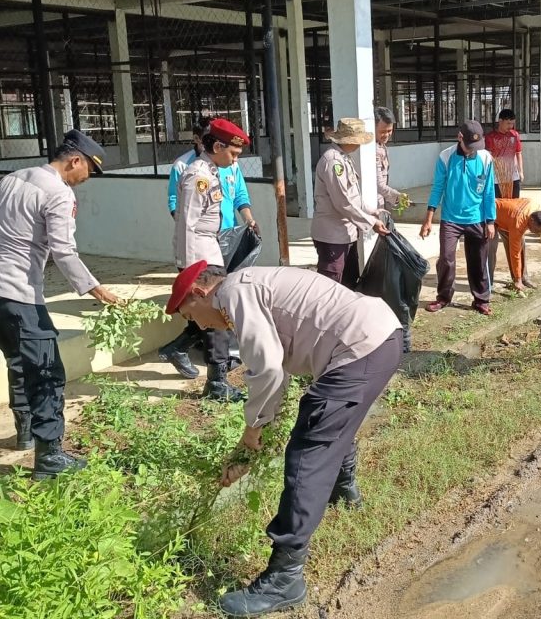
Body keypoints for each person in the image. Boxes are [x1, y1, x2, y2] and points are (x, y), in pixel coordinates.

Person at [165, 262, 402, 617]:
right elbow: (278, 367)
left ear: (200, 293)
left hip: (361, 346)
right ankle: (344, 490)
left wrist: (252, 433)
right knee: (330, 421)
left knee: (308, 452)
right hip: (379, 336)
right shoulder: (248, 284)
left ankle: (284, 579)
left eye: (191, 315)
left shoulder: (234, 293)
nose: (199, 326)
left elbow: (268, 370)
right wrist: (264, 426)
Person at [0, 130, 121, 478]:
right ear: (75, 161)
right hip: (16, 292)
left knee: (17, 358)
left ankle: (25, 429)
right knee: (47, 370)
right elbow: (63, 250)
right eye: (89, 171)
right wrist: (96, 289)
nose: (87, 179)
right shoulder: (58, 193)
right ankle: (50, 455)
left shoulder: (14, 177)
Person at [161, 117, 258, 379]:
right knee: (215, 311)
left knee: (215, 311)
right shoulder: (198, 176)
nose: (235, 160)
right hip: (199, 256)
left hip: (209, 248)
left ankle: (184, 352)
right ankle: (217, 379)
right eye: (233, 153)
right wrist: (191, 269)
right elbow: (186, 225)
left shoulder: (211, 171)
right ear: (217, 147)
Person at [420, 120, 497, 315]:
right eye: (469, 145)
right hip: (451, 219)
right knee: (446, 259)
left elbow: (489, 191)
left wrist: (490, 221)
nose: (472, 149)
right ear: (460, 137)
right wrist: (428, 219)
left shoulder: (486, 158)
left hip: (477, 218)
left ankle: (481, 300)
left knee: (479, 260)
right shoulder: (445, 157)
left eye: (476, 145)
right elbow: (437, 188)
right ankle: (443, 297)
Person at [312, 118, 391, 287]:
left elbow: (352, 196)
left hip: (346, 233)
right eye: (358, 140)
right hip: (332, 235)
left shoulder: (344, 158)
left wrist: (371, 210)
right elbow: (342, 202)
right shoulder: (333, 161)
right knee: (330, 285)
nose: (360, 144)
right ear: (349, 140)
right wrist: (371, 222)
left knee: (349, 282)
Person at [487, 197, 541, 291]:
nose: (538, 233)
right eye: (537, 230)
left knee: (521, 245)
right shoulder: (518, 224)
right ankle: (488, 283)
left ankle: (522, 278)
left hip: (507, 218)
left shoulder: (534, 205)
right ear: (532, 220)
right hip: (489, 215)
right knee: (490, 249)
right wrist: (518, 279)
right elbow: (515, 254)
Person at [485, 108, 524, 199]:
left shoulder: (515, 135)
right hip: (496, 177)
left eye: (512, 124)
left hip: (513, 176)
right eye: (508, 123)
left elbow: (518, 153)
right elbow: (487, 157)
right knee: (498, 203)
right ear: (500, 121)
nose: (510, 126)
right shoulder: (490, 137)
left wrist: (521, 172)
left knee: (513, 203)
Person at [374, 107, 406, 211]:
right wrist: (398, 197)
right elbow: (378, 184)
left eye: (390, 131)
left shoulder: (381, 146)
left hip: (380, 202)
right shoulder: (373, 150)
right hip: (373, 204)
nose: (387, 135)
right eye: (383, 131)